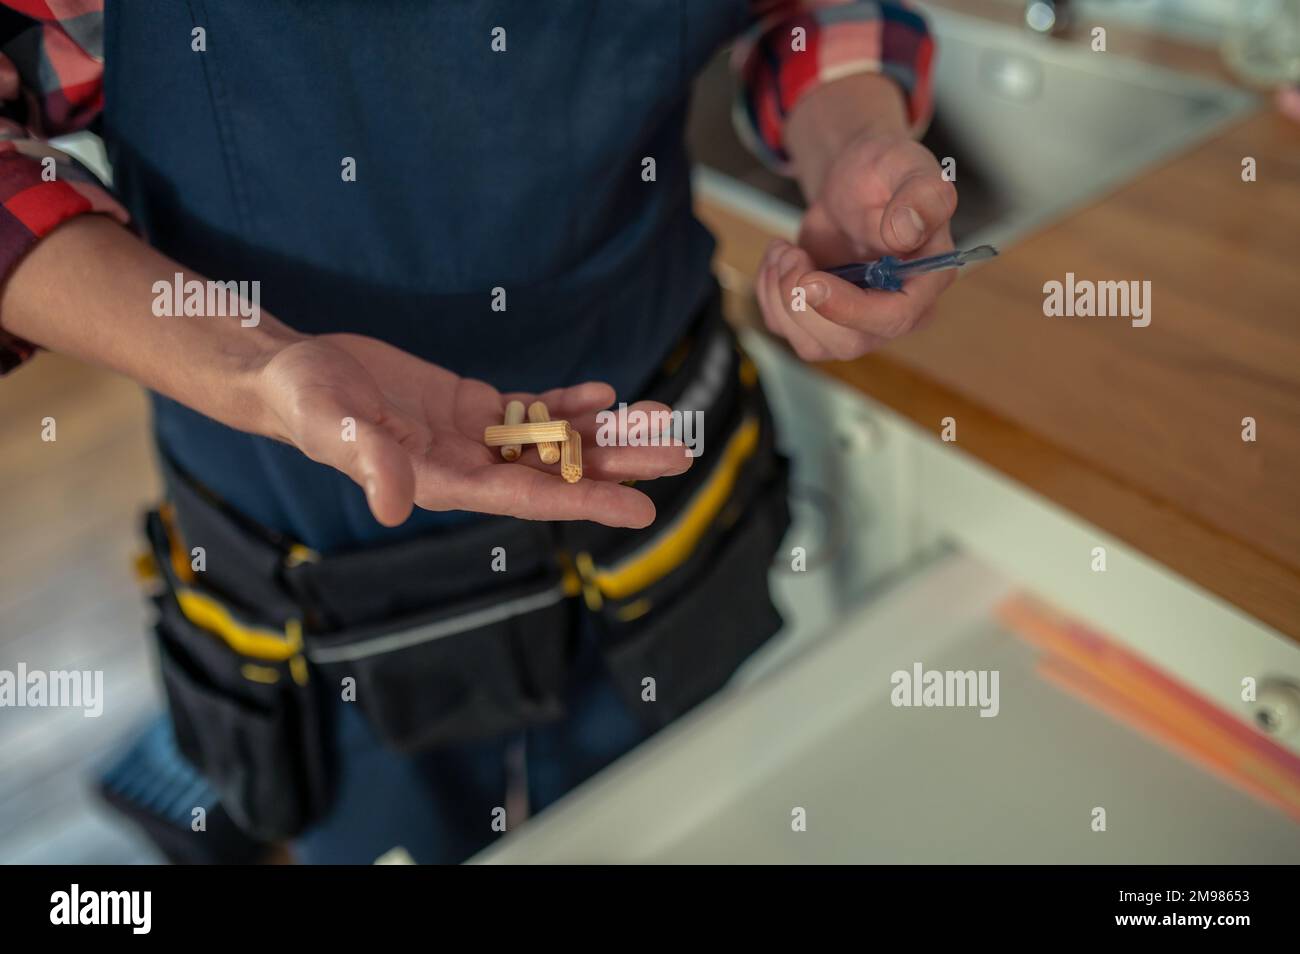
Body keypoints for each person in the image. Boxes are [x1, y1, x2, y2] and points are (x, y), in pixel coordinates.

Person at [0, 1, 955, 863]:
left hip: (663, 499)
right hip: (317, 574)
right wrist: (253, 364)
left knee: (687, 819)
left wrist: (853, 141)